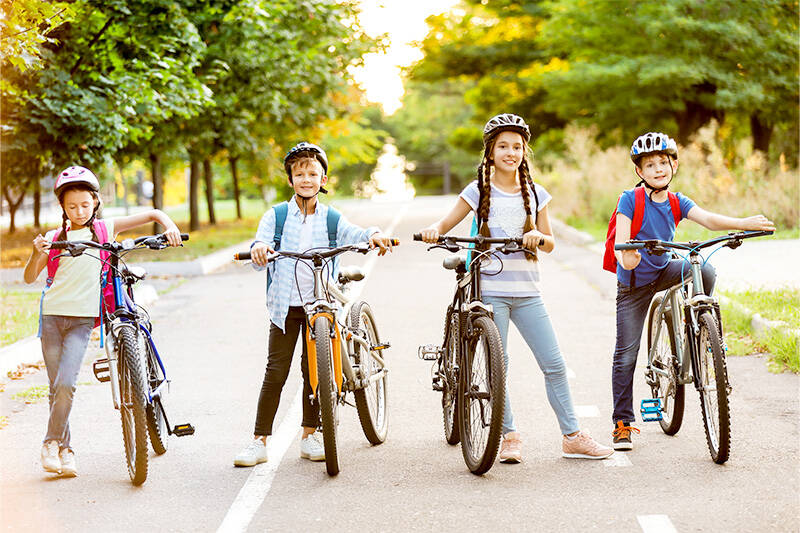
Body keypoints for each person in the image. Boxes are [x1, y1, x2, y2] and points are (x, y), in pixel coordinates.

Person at [420, 114, 613, 463]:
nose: (511, 152)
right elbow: (446, 222)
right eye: (503, 146)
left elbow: (551, 243)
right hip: (490, 291)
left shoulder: (535, 193)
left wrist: (539, 237)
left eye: (517, 146)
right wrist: (434, 230)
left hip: (527, 292)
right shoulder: (478, 190)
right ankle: (508, 435)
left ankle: (572, 436)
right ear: (490, 151)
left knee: (553, 363)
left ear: (525, 151)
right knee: (499, 364)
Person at [611, 132, 775, 450]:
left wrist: (743, 223)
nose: (658, 168)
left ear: (673, 165)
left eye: (663, 162)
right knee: (625, 355)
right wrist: (626, 256)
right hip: (634, 284)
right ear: (639, 172)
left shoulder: (677, 201)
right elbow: (622, 238)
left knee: (705, 267)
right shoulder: (630, 199)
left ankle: (700, 330)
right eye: (650, 164)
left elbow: (709, 220)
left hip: (664, 269)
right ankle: (622, 424)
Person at [234, 142, 394, 467]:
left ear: (323, 179)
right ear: (290, 180)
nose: (306, 178)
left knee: (315, 373)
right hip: (286, 309)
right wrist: (260, 249)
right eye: (299, 173)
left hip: (320, 306)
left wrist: (374, 234)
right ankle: (259, 442)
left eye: (312, 173)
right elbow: (261, 241)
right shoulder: (276, 216)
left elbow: (356, 233)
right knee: (275, 372)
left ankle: (311, 435)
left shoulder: (331, 217)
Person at [23, 165, 183, 477]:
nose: (79, 211)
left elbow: (152, 213)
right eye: (71, 206)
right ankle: (65, 451)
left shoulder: (106, 229)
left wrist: (168, 224)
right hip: (53, 318)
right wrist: (35, 253)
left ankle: (50, 442)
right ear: (63, 208)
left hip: (83, 321)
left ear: (95, 202)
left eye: (85, 204)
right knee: (57, 388)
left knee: (66, 383)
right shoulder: (55, 237)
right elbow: (30, 277)